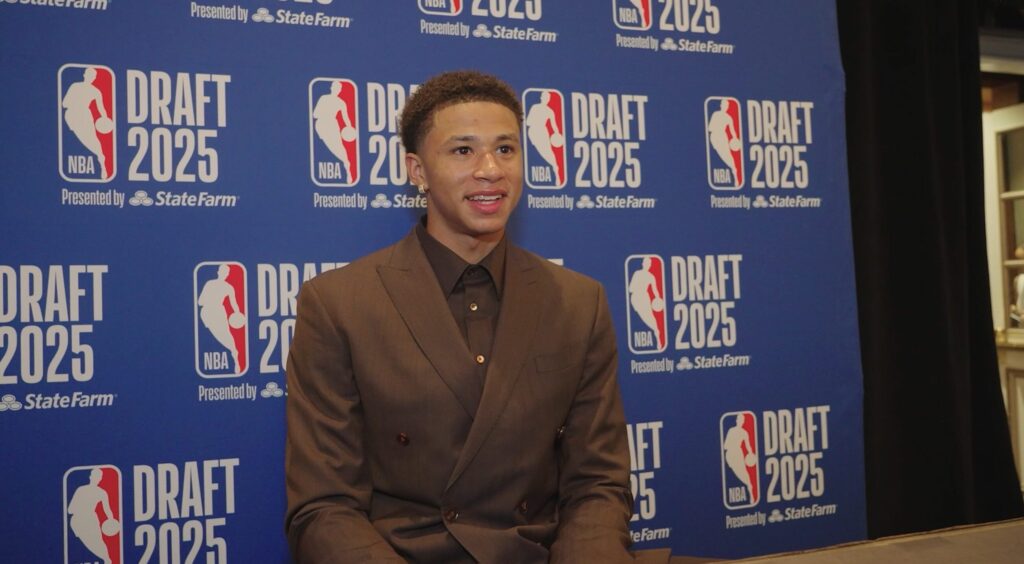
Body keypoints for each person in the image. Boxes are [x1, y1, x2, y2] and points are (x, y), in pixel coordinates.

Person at [285, 70, 634, 563]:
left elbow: (598, 485)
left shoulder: (579, 302)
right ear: (417, 170)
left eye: (506, 149)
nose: (490, 169)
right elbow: (323, 508)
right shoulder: (339, 304)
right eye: (463, 150)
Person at [67, 468, 117, 564]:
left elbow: (107, 509)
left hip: (91, 519)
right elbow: (70, 510)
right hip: (77, 521)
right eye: (95, 476)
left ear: (100, 479)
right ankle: (105, 559)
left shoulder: (102, 492)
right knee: (88, 542)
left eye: (98, 477)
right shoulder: (81, 490)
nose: (96, 478)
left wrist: (111, 520)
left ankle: (107, 559)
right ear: (90, 477)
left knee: (98, 541)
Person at [313, 81, 355, 181]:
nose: (336, 89)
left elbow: (346, 118)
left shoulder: (341, 102)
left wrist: (349, 128)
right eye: (334, 87)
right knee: (329, 147)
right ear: (331, 88)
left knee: (339, 147)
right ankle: (346, 163)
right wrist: (324, 113)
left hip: (332, 125)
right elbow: (315, 114)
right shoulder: (323, 98)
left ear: (340, 90)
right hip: (321, 125)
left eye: (338, 88)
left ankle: (347, 166)